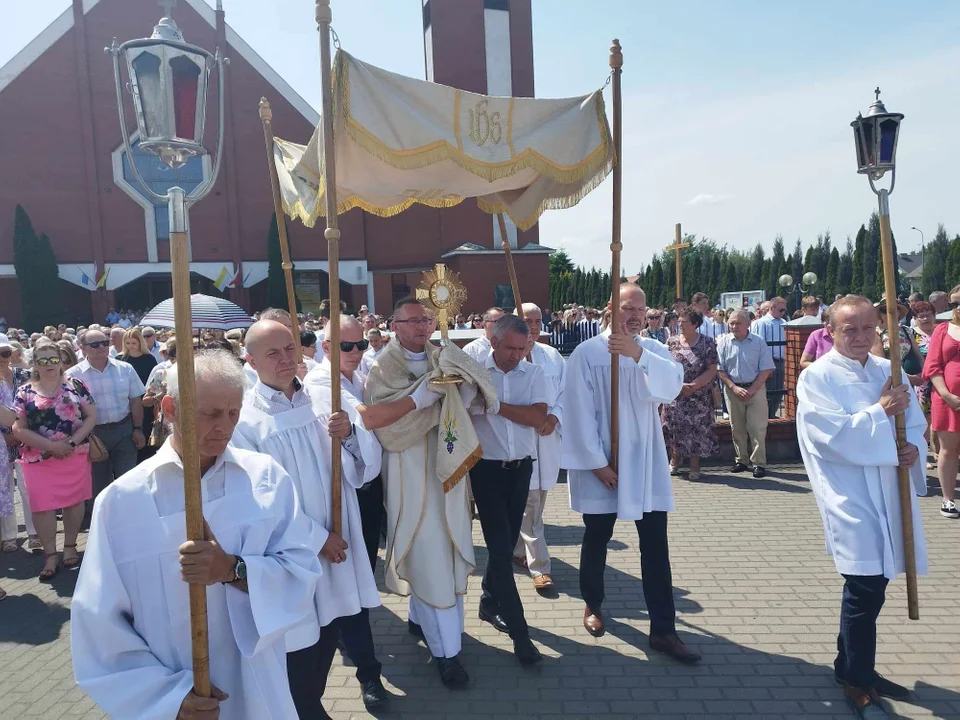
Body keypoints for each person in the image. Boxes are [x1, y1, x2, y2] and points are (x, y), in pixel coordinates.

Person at [71, 350, 322, 720]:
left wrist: (232, 570)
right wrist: (166, 696)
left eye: (233, 413)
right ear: (170, 408)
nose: (225, 426)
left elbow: (302, 569)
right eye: (210, 414)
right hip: (175, 693)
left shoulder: (265, 478)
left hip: (255, 684)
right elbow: (98, 622)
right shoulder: (123, 501)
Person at [237, 320, 387, 715]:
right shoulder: (246, 422)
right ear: (250, 361)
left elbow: (365, 469)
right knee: (299, 643)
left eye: (290, 348)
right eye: (273, 352)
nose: (286, 358)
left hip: (339, 542)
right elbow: (258, 499)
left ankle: (311, 701)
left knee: (331, 629)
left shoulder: (325, 399)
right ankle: (303, 707)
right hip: (295, 551)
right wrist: (318, 539)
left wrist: (350, 434)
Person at [796, 295, 927, 717]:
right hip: (849, 493)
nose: (859, 337)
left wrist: (911, 451)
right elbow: (830, 438)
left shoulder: (889, 372)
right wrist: (880, 411)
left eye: (868, 328)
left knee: (876, 582)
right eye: (849, 329)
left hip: (889, 491)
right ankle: (858, 680)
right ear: (829, 331)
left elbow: (917, 425)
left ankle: (852, 665)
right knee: (863, 585)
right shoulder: (818, 377)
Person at [361, 298, 497, 688]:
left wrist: (459, 390)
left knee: (444, 548)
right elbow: (385, 425)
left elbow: (480, 393)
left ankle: (421, 619)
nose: (422, 326)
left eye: (427, 319)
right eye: (413, 320)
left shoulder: (445, 354)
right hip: (410, 474)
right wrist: (426, 396)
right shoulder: (384, 366)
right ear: (394, 325)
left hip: (447, 472)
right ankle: (448, 655)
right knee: (431, 555)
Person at [561, 284, 700, 664]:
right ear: (610, 308)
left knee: (656, 545)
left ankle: (664, 630)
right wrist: (597, 463)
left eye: (641, 308)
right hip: (602, 464)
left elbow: (671, 388)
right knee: (597, 539)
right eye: (628, 308)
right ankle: (592, 604)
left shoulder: (652, 349)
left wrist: (636, 353)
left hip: (644, 463)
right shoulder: (588, 354)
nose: (636, 315)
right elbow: (576, 412)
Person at [468, 314, 547, 665]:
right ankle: (520, 634)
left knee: (503, 547)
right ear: (494, 342)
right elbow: (466, 410)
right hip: (486, 472)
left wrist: (496, 407)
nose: (517, 355)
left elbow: (538, 418)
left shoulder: (534, 373)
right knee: (501, 551)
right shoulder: (475, 373)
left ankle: (488, 602)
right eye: (511, 348)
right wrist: (511, 410)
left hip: (521, 470)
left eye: (523, 347)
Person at [12, 339, 97, 580]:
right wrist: (51, 446)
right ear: (35, 364)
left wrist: (70, 443)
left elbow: (91, 416)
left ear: (61, 361)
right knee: (42, 506)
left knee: (74, 501)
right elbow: (19, 427)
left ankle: (70, 546)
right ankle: (50, 555)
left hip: (74, 454)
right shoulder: (24, 391)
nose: (49, 364)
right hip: (38, 458)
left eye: (54, 359)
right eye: (43, 360)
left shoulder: (77, 385)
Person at [65, 329, 146, 519]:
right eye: (94, 344)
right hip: (92, 436)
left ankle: (131, 521)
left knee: (129, 480)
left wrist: (138, 429)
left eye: (104, 342)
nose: (101, 347)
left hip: (124, 431)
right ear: (82, 348)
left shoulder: (125, 369)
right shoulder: (72, 376)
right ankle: (102, 524)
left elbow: (135, 400)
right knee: (98, 484)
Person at [513, 304, 564, 592]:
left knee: (535, 504)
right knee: (531, 508)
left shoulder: (552, 355)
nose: (532, 326)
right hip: (522, 440)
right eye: (526, 321)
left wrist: (554, 417)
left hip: (547, 438)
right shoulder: (510, 356)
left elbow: (566, 392)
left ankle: (518, 550)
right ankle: (540, 567)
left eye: (536, 320)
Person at [660, 309, 719, 481]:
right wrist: (678, 385)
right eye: (679, 321)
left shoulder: (707, 343)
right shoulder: (671, 342)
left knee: (696, 431)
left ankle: (694, 466)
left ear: (695, 324)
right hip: (675, 395)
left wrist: (693, 386)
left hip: (698, 397)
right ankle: (674, 461)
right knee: (673, 428)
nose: (680, 325)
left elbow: (712, 369)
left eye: (684, 322)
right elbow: (665, 366)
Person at [717, 310, 775, 478]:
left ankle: (758, 463)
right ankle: (741, 460)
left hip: (755, 390)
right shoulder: (723, 342)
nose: (734, 326)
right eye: (731, 323)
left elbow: (766, 369)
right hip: (732, 390)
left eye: (738, 323)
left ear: (748, 323)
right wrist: (733, 387)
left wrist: (752, 389)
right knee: (737, 428)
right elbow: (719, 369)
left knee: (757, 428)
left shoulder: (759, 342)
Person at [921, 284, 960, 518]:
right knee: (949, 449)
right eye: (954, 303)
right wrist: (946, 394)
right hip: (947, 399)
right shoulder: (942, 329)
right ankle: (948, 499)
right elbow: (932, 367)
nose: (958, 308)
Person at [0, 333, 36, 552]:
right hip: (2, 441)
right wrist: (5, 435)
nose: (1, 357)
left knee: (27, 486)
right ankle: (9, 536)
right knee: (5, 489)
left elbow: (33, 406)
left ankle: (34, 533)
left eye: (4, 352)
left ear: (12, 353)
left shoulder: (24, 375)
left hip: (23, 439)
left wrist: (19, 432)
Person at [117, 327, 159, 461]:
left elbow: (154, 380)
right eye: (128, 343)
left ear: (140, 342)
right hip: (127, 401)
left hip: (145, 401)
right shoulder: (120, 359)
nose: (131, 346)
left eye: (133, 343)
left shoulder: (149, 358)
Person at [870, 301, 924, 388]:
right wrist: (908, 378)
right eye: (884, 310)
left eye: (895, 309)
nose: (889, 313)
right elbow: (881, 363)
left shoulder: (906, 330)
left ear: (899, 313)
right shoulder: (876, 334)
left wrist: (924, 373)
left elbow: (919, 356)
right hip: (892, 383)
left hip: (916, 383)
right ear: (879, 315)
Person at [751, 296, 787, 418]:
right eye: (781, 310)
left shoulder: (784, 323)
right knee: (768, 391)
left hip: (781, 360)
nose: (783, 313)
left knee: (779, 390)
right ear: (772, 307)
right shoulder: (761, 323)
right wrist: (765, 364)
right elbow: (759, 346)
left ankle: (772, 414)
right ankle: (765, 415)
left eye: (784, 310)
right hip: (769, 361)